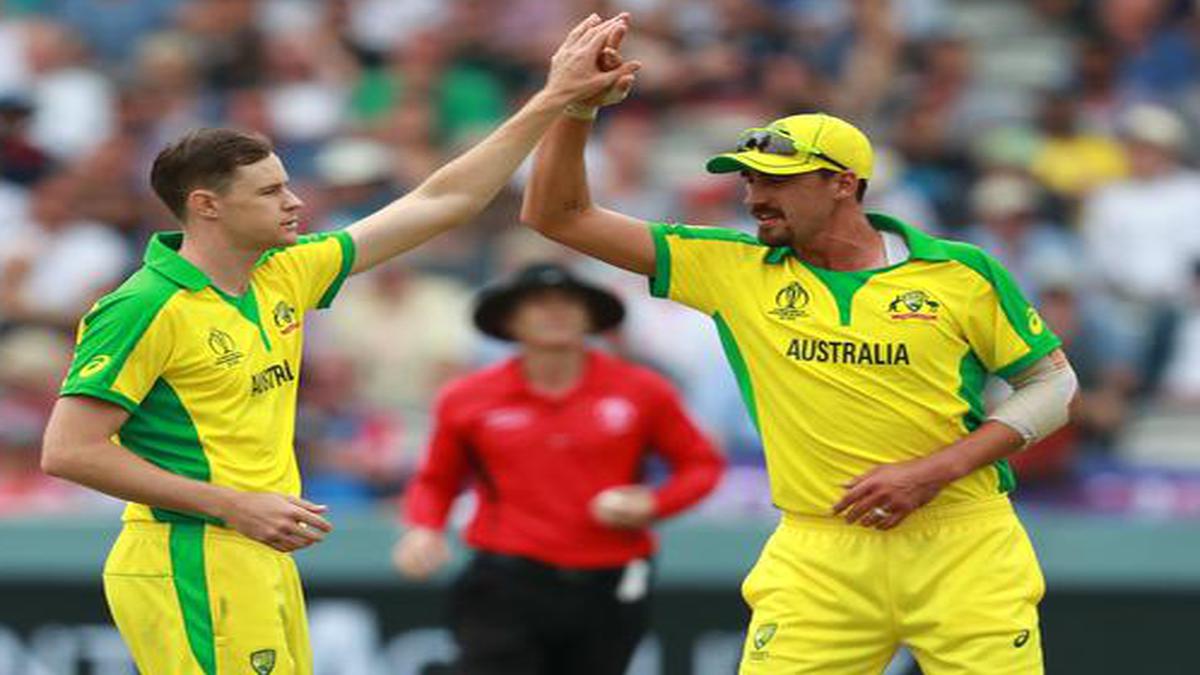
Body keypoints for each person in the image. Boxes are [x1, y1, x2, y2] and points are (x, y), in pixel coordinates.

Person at [39, 14, 640, 675]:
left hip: (253, 547)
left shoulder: (284, 272)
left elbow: (444, 199)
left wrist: (555, 99)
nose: (295, 201)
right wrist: (233, 502)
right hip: (190, 552)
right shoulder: (145, 305)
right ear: (207, 206)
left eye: (288, 183)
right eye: (271, 191)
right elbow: (69, 450)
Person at [521, 45, 1078, 675]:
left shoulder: (960, 272)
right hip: (819, 553)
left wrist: (934, 472)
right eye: (750, 180)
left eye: (776, 181)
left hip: (963, 541)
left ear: (844, 183)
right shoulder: (731, 267)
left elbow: (1052, 385)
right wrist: (574, 110)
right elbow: (555, 215)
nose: (755, 196)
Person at [393, 262, 724, 675]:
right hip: (507, 576)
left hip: (610, 579)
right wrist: (424, 527)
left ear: (591, 318)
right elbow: (436, 480)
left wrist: (654, 503)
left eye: (569, 302)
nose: (556, 312)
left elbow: (701, 464)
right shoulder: (468, 398)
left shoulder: (642, 390)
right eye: (539, 303)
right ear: (510, 321)